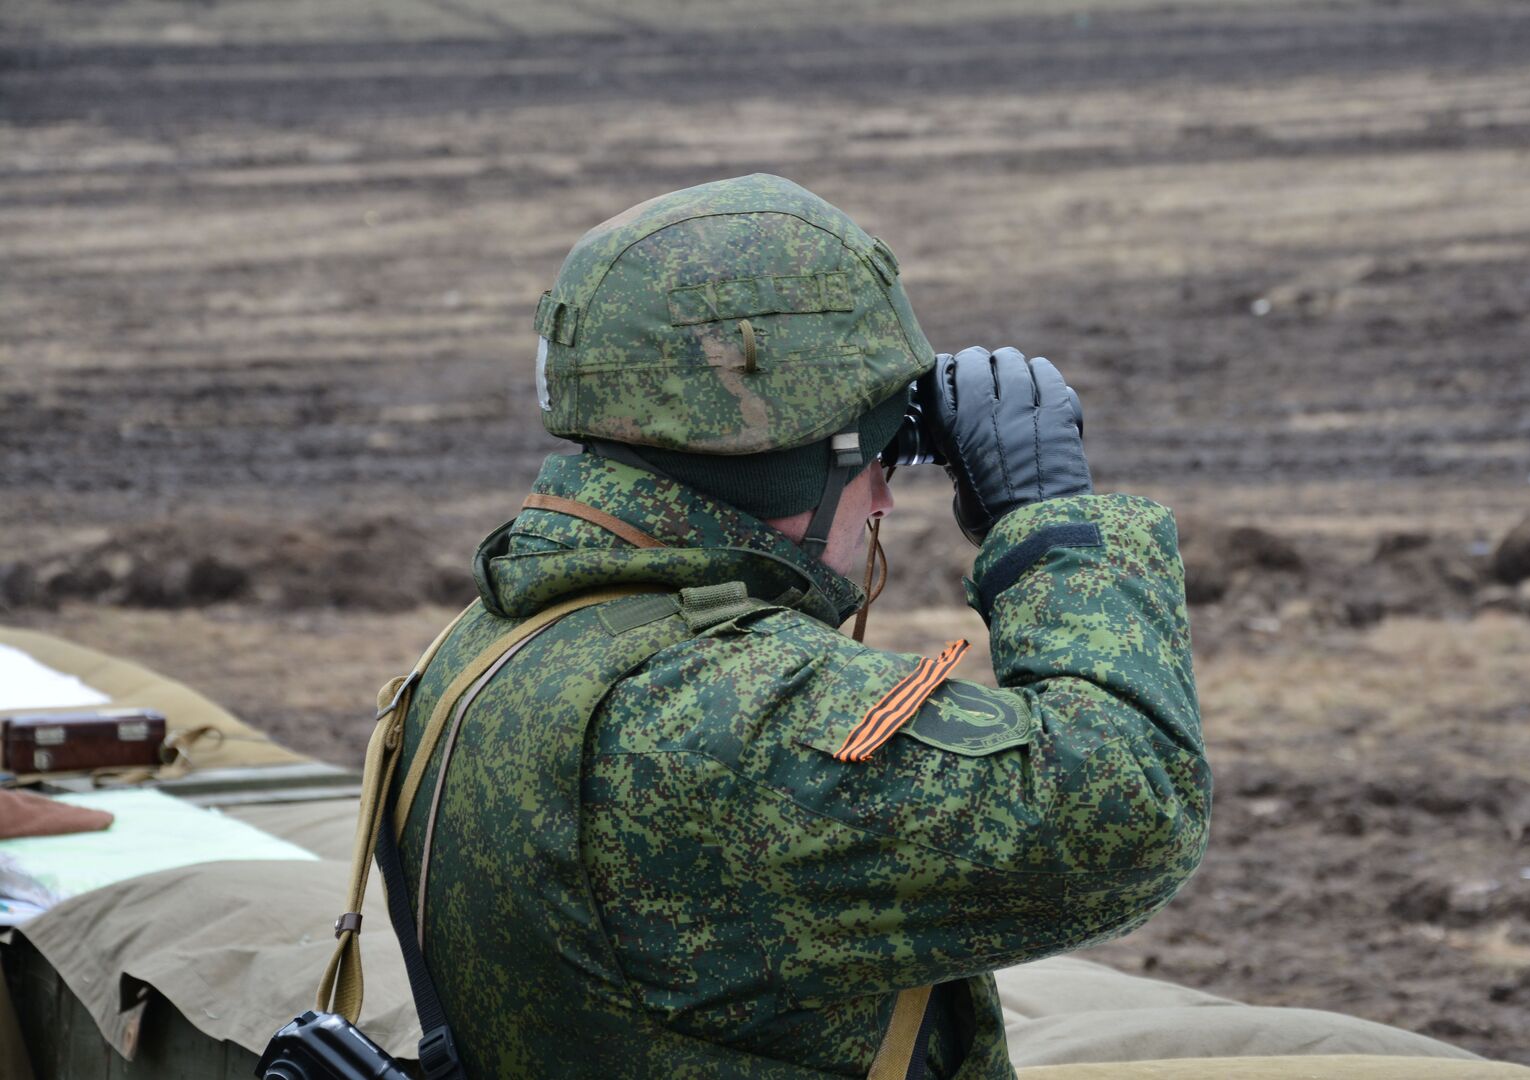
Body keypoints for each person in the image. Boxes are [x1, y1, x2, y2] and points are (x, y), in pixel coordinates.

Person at [386, 173, 1210, 1078]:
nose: (887, 494)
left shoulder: (501, 637)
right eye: (874, 456)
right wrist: (1050, 526)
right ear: (791, 466)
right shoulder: (718, 717)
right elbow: (1133, 805)